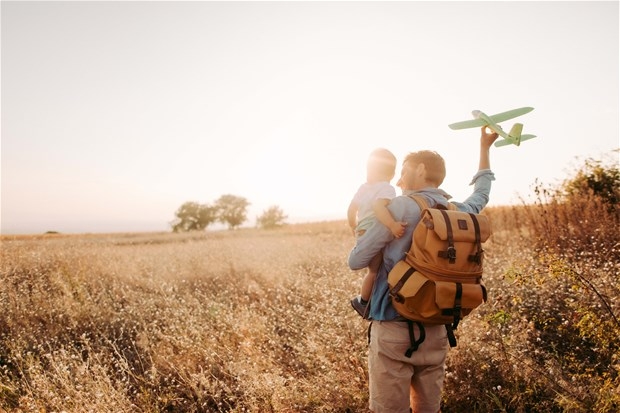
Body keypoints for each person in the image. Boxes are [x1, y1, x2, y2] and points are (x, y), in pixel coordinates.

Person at [348, 128, 499, 413]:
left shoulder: (401, 207)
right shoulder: (458, 211)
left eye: (404, 171)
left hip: (393, 329)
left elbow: (356, 261)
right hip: (437, 331)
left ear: (419, 170)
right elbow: (482, 193)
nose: (400, 179)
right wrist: (484, 149)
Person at [348, 148, 407, 319]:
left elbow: (352, 209)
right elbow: (378, 207)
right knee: (374, 271)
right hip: (373, 230)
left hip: (362, 230)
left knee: (374, 268)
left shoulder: (364, 188)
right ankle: (364, 302)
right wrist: (393, 225)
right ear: (392, 174)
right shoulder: (387, 188)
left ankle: (368, 301)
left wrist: (353, 226)